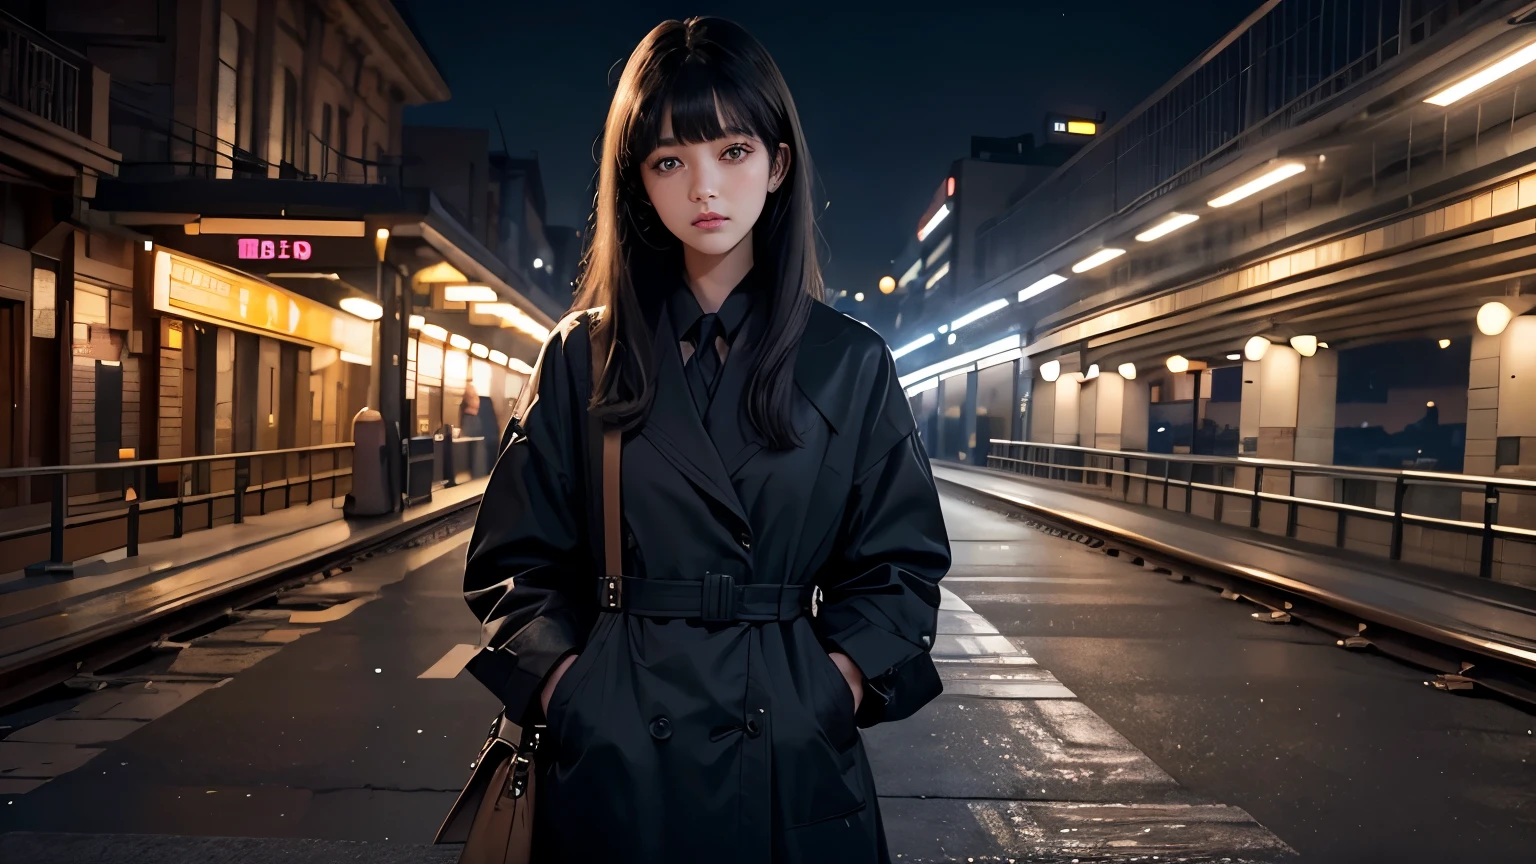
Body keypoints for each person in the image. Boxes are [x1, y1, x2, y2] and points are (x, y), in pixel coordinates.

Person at [461, 17, 951, 863]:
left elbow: (901, 567)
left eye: (731, 151)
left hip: (788, 759)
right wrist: (569, 691)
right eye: (668, 161)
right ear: (638, 183)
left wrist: (834, 687)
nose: (704, 189)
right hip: (618, 761)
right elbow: (514, 560)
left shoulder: (850, 363)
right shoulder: (583, 356)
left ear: (778, 162)